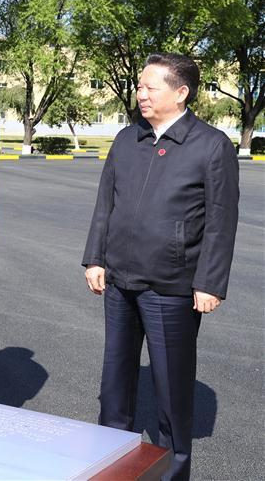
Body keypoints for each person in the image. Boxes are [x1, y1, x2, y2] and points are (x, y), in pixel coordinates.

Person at [83, 53, 239, 481]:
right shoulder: (126, 139)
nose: (142, 94)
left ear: (181, 92)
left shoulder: (210, 145)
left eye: (151, 87)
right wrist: (95, 257)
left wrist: (210, 283)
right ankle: (111, 467)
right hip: (119, 282)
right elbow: (105, 204)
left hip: (172, 287)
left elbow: (221, 220)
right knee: (115, 387)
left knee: (171, 393)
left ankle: (172, 472)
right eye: (139, 86)